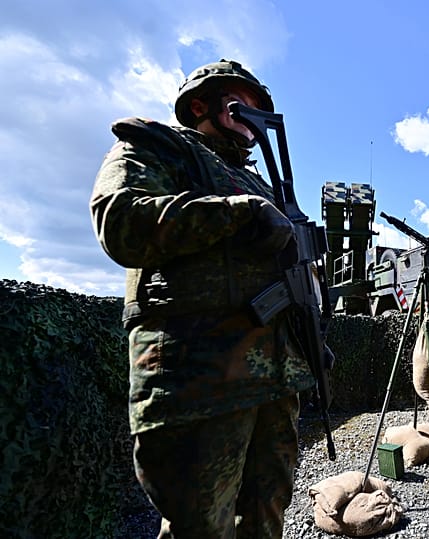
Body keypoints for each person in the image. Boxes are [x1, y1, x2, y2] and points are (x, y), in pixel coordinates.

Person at [89, 59, 315, 538]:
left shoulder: (263, 182)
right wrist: (237, 214)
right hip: (200, 374)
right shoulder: (161, 147)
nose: (253, 112)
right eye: (241, 101)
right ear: (200, 104)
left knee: (265, 513)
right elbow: (119, 219)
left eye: (259, 105)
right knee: (200, 526)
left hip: (273, 377)